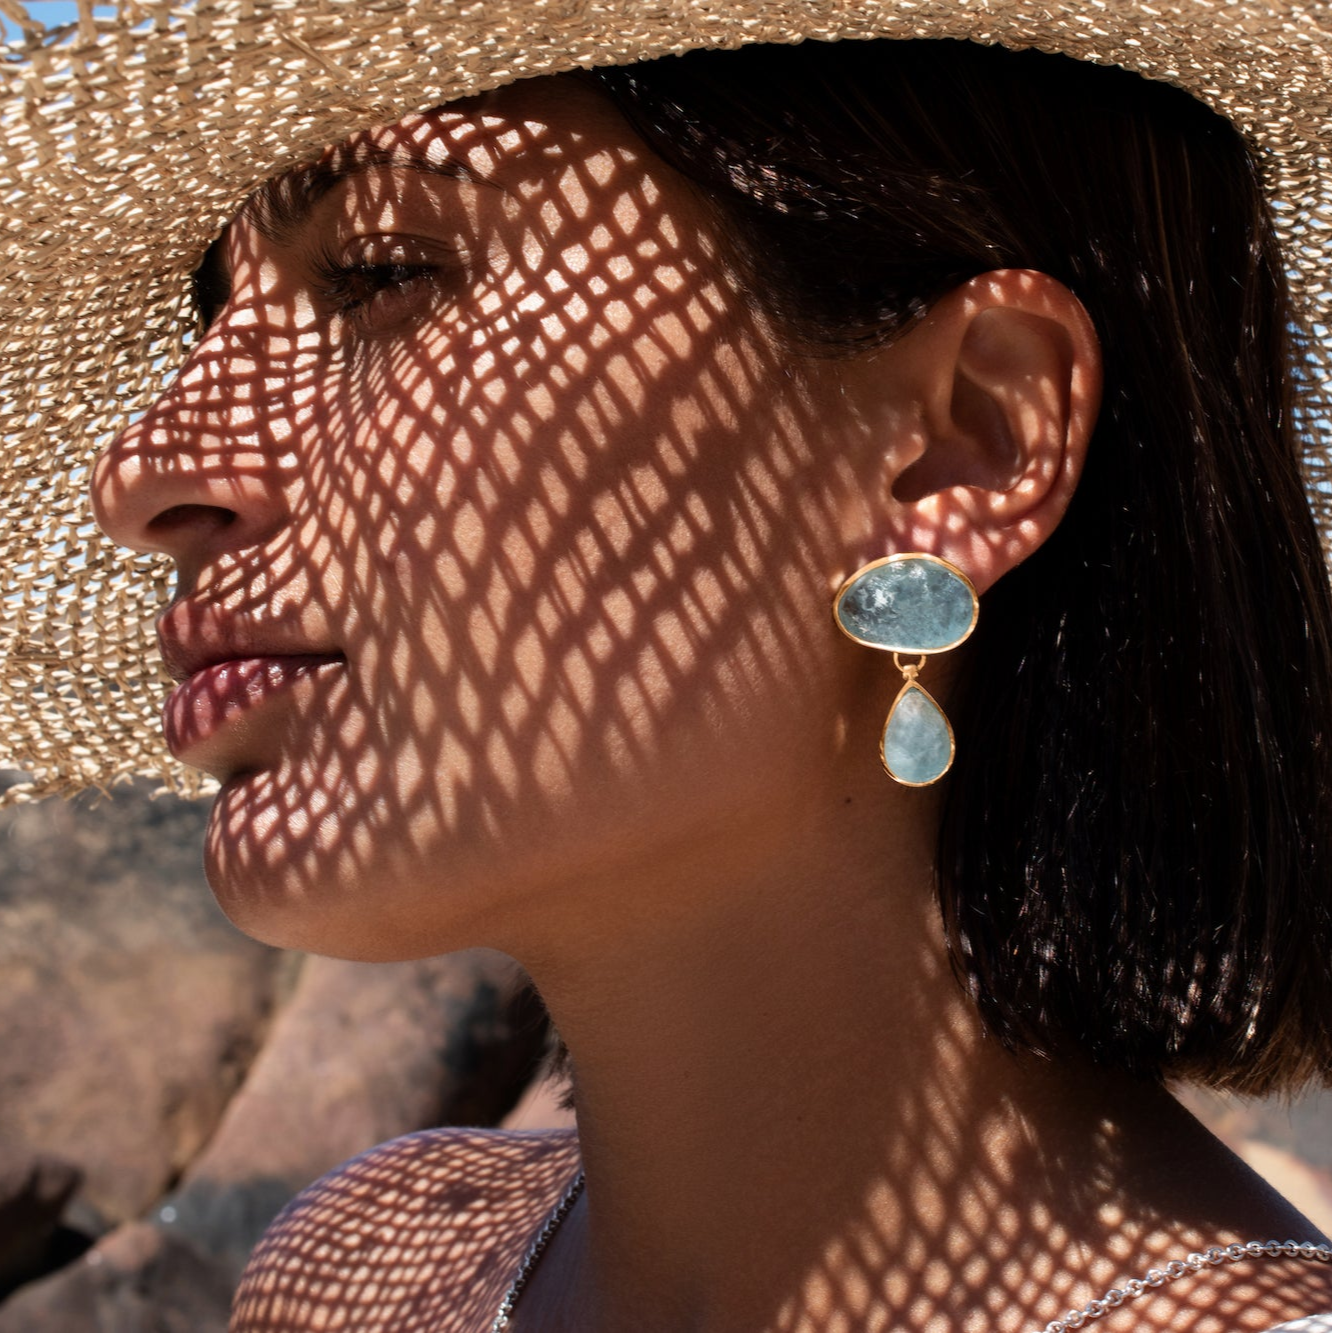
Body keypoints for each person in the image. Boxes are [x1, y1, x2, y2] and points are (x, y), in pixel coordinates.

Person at [4, 3, 1332, 1331]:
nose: (143, 472)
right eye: (215, 317)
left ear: (964, 442)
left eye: (384, 272)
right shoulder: (359, 1281)